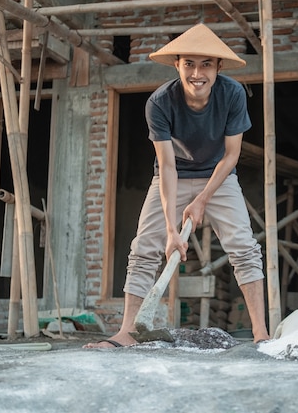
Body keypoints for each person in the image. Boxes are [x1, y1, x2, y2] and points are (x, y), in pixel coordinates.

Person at [85, 23, 270, 348]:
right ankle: (127, 332)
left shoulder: (233, 94)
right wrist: (172, 229)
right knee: (143, 249)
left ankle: (260, 334)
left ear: (218, 67)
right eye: (189, 64)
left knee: (244, 248)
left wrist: (202, 200)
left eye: (206, 65)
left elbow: (231, 157)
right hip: (173, 176)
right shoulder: (160, 103)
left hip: (219, 176)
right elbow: (167, 165)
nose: (197, 73)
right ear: (177, 65)